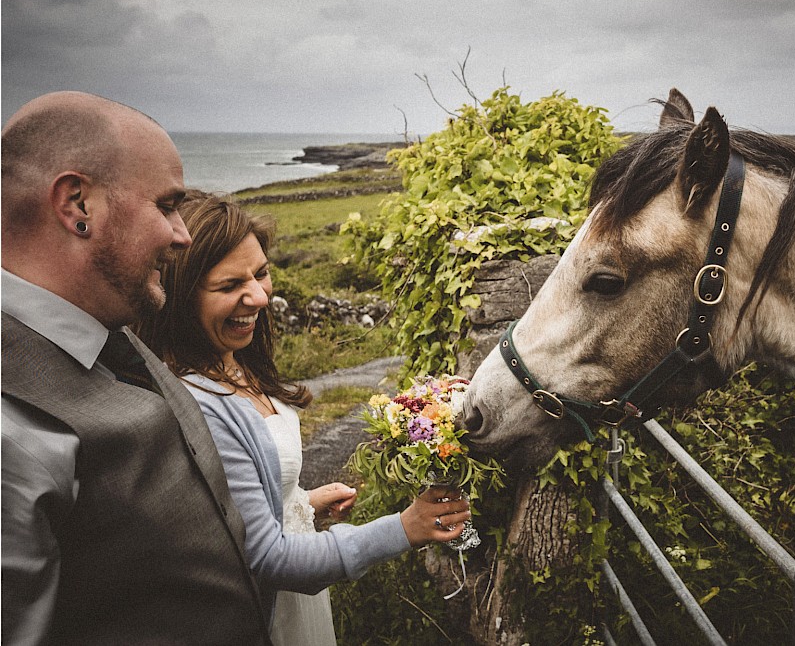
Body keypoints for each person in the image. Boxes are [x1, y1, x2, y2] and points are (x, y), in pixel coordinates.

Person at [134, 190, 470, 644]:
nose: (258, 296)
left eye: (261, 274)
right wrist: (403, 529)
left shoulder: (235, 360)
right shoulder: (201, 404)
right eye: (230, 286)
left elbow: (231, 507)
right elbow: (268, 558)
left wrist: (299, 502)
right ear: (180, 298)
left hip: (299, 599)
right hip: (268, 612)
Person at [1, 92, 272, 645]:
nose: (183, 234)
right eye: (167, 205)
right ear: (78, 205)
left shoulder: (112, 332)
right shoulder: (11, 426)